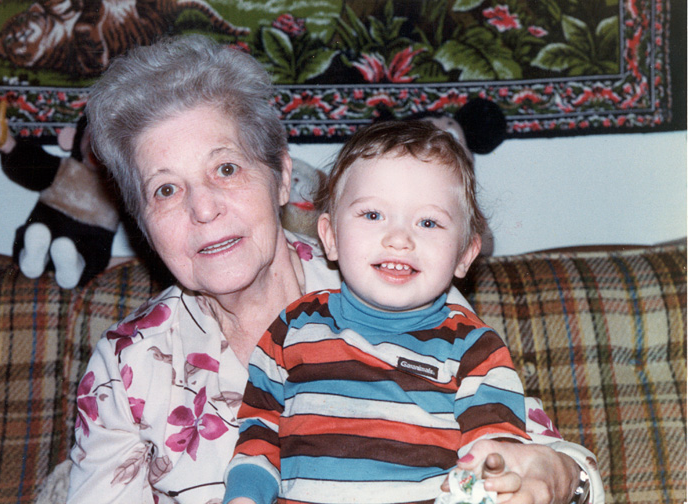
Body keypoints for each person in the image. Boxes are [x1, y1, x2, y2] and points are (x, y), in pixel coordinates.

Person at [64, 34, 602, 504]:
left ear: (280, 176)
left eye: (225, 168)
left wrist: (557, 477)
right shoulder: (128, 367)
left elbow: (529, 454)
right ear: (143, 222)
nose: (202, 209)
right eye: (165, 189)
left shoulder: (392, 277)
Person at [223, 120, 532, 504]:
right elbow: (259, 434)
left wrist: (495, 472)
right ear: (330, 236)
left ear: (465, 254)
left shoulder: (474, 349)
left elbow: (494, 457)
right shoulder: (293, 327)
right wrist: (244, 497)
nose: (399, 238)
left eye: (428, 222)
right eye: (372, 215)